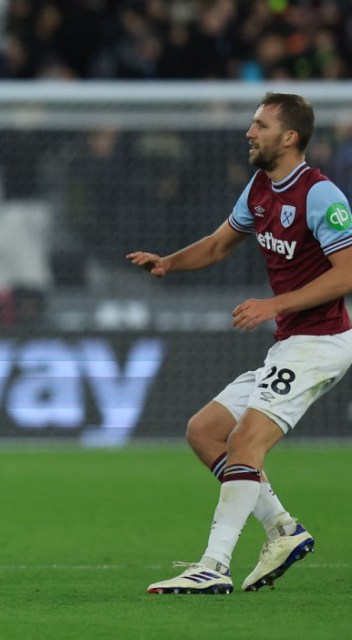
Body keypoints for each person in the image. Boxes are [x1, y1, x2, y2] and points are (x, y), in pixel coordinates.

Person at [127, 92, 352, 595]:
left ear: (289, 137)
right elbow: (218, 243)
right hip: (291, 340)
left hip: (322, 342)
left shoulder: (320, 196)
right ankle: (283, 530)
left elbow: (348, 275)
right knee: (205, 431)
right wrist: (168, 262)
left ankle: (213, 565)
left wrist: (275, 305)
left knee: (245, 441)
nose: (250, 132)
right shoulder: (259, 188)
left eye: (261, 125)